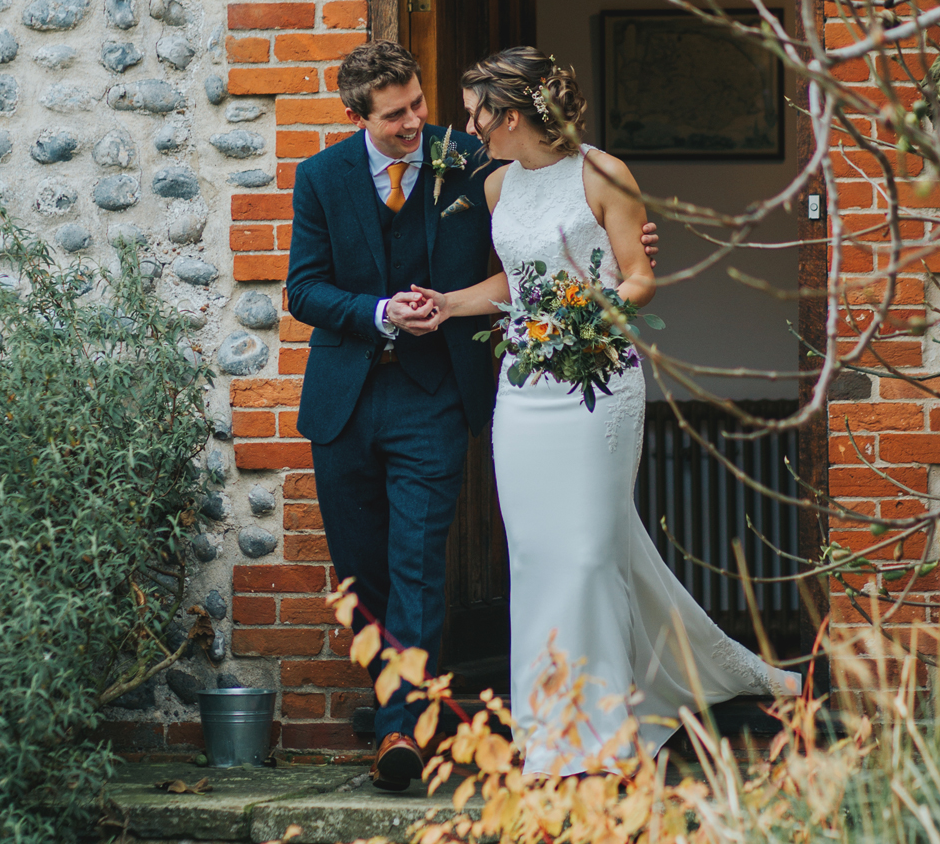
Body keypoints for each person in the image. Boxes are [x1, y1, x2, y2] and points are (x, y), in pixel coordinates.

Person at [403, 46, 800, 775]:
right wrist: (448, 305)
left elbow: (641, 278)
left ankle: (601, 736)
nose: (468, 127)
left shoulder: (603, 172)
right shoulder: (494, 187)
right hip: (523, 395)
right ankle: (550, 736)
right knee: (540, 558)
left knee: (587, 556)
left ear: (510, 115)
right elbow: (513, 284)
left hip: (595, 385)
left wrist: (586, 314)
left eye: (475, 114)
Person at [285, 41, 662, 790]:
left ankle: (404, 732)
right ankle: (402, 709)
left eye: (420, 105)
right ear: (356, 114)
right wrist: (380, 310)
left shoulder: (470, 154)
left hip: (436, 394)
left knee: (419, 565)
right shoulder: (319, 177)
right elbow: (303, 290)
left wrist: (626, 243)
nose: (417, 124)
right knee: (362, 574)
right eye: (396, 115)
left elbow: (558, 215)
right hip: (345, 401)